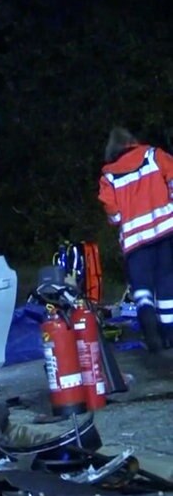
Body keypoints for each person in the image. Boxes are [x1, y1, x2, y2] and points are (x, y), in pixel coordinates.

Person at [97, 127, 173, 352]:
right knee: (167, 283)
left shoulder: (108, 176)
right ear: (132, 142)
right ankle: (169, 334)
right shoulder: (153, 155)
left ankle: (150, 329)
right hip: (165, 232)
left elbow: (114, 213)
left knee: (142, 288)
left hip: (135, 242)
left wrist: (120, 217)